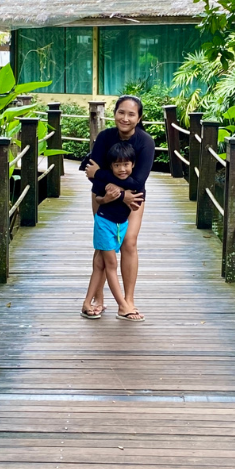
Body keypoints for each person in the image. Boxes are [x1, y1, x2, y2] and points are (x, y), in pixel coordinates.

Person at [82, 96, 153, 320]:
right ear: (114, 114)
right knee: (105, 247)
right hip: (103, 197)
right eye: (121, 112)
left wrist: (112, 184)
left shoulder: (145, 142)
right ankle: (98, 298)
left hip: (134, 198)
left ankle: (128, 300)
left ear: (139, 117)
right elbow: (91, 176)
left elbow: (137, 182)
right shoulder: (104, 137)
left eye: (131, 114)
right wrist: (118, 192)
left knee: (129, 242)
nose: (125, 118)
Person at [81, 142, 138, 320]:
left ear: (133, 165)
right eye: (117, 165)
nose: (122, 169)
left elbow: (137, 193)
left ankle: (86, 304)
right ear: (111, 166)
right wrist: (106, 198)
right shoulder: (104, 180)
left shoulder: (134, 180)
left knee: (100, 265)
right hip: (104, 223)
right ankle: (123, 305)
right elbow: (98, 198)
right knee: (111, 264)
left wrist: (121, 193)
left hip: (121, 225)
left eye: (126, 164)